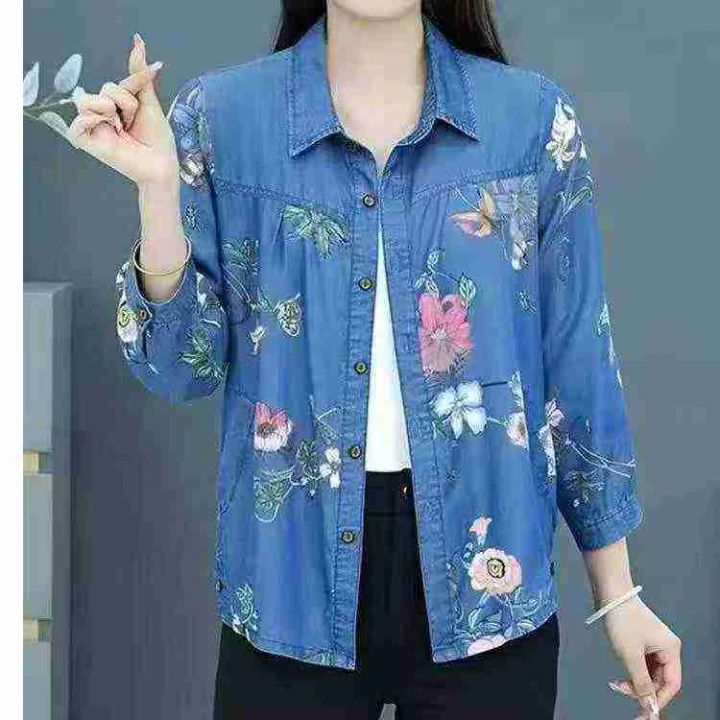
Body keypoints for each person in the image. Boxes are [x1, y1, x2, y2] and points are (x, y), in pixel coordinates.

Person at [68, 1, 682, 717]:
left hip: (489, 587)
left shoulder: (531, 123)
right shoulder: (220, 120)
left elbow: (578, 368)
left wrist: (619, 597)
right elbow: (180, 370)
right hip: (289, 584)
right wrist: (157, 192)